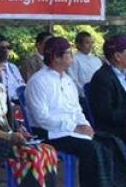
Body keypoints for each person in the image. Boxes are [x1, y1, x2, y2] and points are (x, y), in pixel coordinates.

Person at [25, 36, 124, 186]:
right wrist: (74, 127)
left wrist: (86, 126)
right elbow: (41, 118)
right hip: (49, 132)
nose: (72, 56)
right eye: (68, 53)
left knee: (109, 143)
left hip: (72, 130)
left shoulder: (67, 80)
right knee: (91, 149)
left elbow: (77, 110)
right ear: (56, 57)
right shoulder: (38, 81)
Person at [0, 42, 58, 187]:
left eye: (1, 67)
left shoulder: (0, 87)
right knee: (34, 154)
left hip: (9, 137)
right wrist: (9, 136)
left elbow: (10, 120)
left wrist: (19, 132)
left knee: (48, 150)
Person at [87, 35, 126, 141]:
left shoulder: (123, 72)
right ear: (118, 56)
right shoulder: (102, 78)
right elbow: (107, 115)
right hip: (114, 130)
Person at [0, 35, 25, 102]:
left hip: (20, 103)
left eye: (8, 47)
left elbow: (22, 85)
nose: (6, 50)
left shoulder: (13, 67)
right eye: (2, 47)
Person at [68, 32, 102, 97]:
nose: (90, 45)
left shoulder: (97, 60)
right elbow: (73, 79)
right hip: (83, 95)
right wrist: (83, 93)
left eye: (91, 42)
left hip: (98, 94)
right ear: (78, 44)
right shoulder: (74, 59)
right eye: (87, 43)